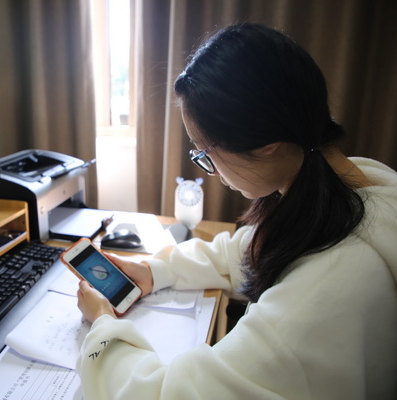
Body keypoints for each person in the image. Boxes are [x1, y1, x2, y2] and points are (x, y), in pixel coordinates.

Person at [76, 23, 397, 399]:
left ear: (267, 144)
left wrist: (103, 328)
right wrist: (155, 271)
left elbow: (168, 395)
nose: (208, 169)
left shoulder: (324, 290)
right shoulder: (355, 185)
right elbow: (248, 250)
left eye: (205, 152)